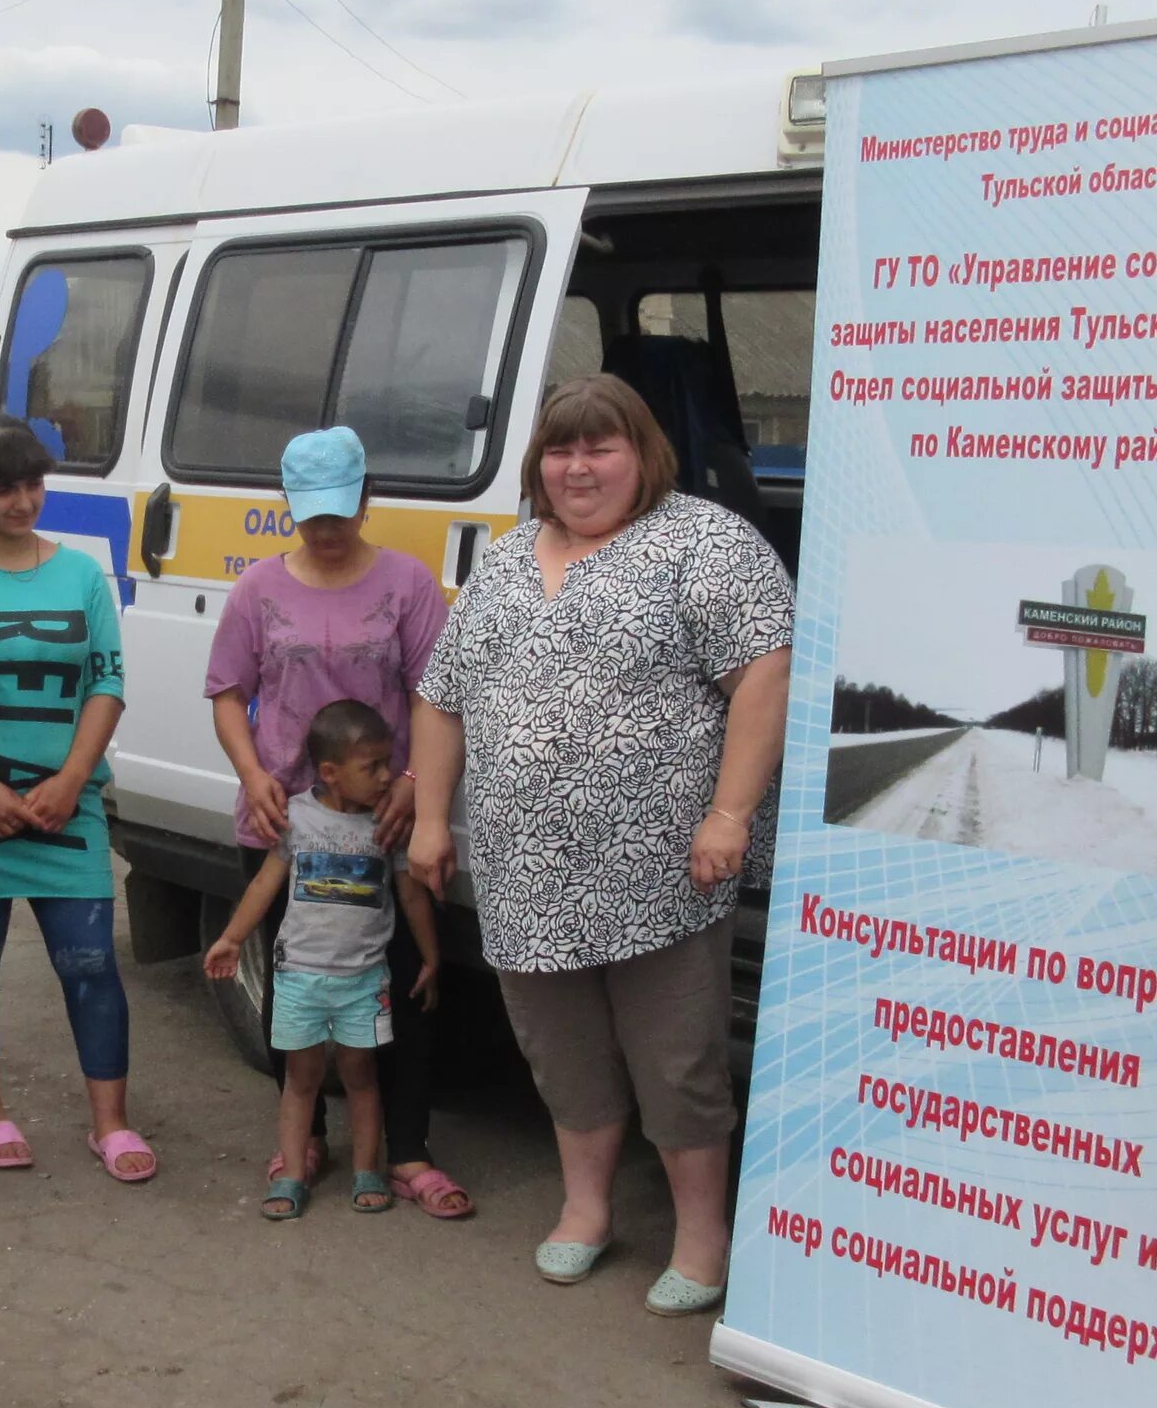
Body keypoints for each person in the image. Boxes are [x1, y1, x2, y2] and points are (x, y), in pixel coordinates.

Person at [409, 374, 793, 1317]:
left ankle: (703, 1235)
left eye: (600, 447)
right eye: (560, 450)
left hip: (661, 869)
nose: (578, 468)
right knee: (562, 1054)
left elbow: (765, 674)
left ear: (642, 453)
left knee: (676, 1058)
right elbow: (442, 695)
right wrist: (428, 820)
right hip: (523, 873)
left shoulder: (703, 543)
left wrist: (730, 815)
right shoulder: (503, 563)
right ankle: (587, 1209)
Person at [203, 427, 471, 1220]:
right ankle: (306, 1136)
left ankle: (408, 1148)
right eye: (309, 513)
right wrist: (254, 775)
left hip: (385, 823)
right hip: (285, 820)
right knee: (298, 982)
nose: (324, 528)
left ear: (365, 497)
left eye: (339, 510)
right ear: (288, 505)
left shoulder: (408, 584)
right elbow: (226, 691)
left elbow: (434, 693)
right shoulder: (258, 589)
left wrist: (416, 785)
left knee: (401, 983)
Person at [0, 414, 152, 1183]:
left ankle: (109, 1124)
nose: (23, 501)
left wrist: (74, 778)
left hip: (67, 806)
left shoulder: (81, 572)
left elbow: (107, 681)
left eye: (33, 484)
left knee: (90, 964)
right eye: (3, 487)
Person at [202, 699, 441, 1218]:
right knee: (301, 1078)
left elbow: (412, 894)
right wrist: (233, 938)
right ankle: (291, 1171)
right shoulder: (297, 818)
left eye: (387, 763)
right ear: (330, 773)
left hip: (364, 979)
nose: (385, 777)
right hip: (299, 979)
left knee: (360, 1074)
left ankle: (367, 1169)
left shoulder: (387, 824)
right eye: (372, 767)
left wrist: (430, 956)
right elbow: (266, 884)